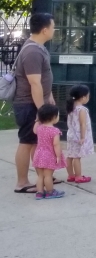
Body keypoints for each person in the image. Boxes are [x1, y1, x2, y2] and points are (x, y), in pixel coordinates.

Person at [13, 12, 54, 195]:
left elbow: (44, 77)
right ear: (45, 30)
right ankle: (22, 182)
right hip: (28, 105)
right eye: (53, 27)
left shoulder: (39, 48)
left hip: (36, 103)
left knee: (36, 142)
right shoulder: (32, 51)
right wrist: (41, 111)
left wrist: (49, 95)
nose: (54, 30)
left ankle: (42, 177)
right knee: (27, 142)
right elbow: (34, 83)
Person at [31, 105, 65, 200]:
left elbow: (34, 130)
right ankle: (50, 192)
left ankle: (39, 192)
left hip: (38, 154)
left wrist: (37, 120)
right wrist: (58, 156)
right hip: (49, 155)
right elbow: (56, 145)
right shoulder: (55, 131)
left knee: (40, 176)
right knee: (48, 176)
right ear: (54, 117)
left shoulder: (39, 128)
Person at [65, 85, 94, 184]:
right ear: (83, 97)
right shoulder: (81, 110)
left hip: (71, 135)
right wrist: (83, 137)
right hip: (78, 136)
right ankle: (78, 176)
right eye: (88, 96)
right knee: (77, 157)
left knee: (70, 155)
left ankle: (70, 175)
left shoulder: (71, 108)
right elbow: (82, 124)